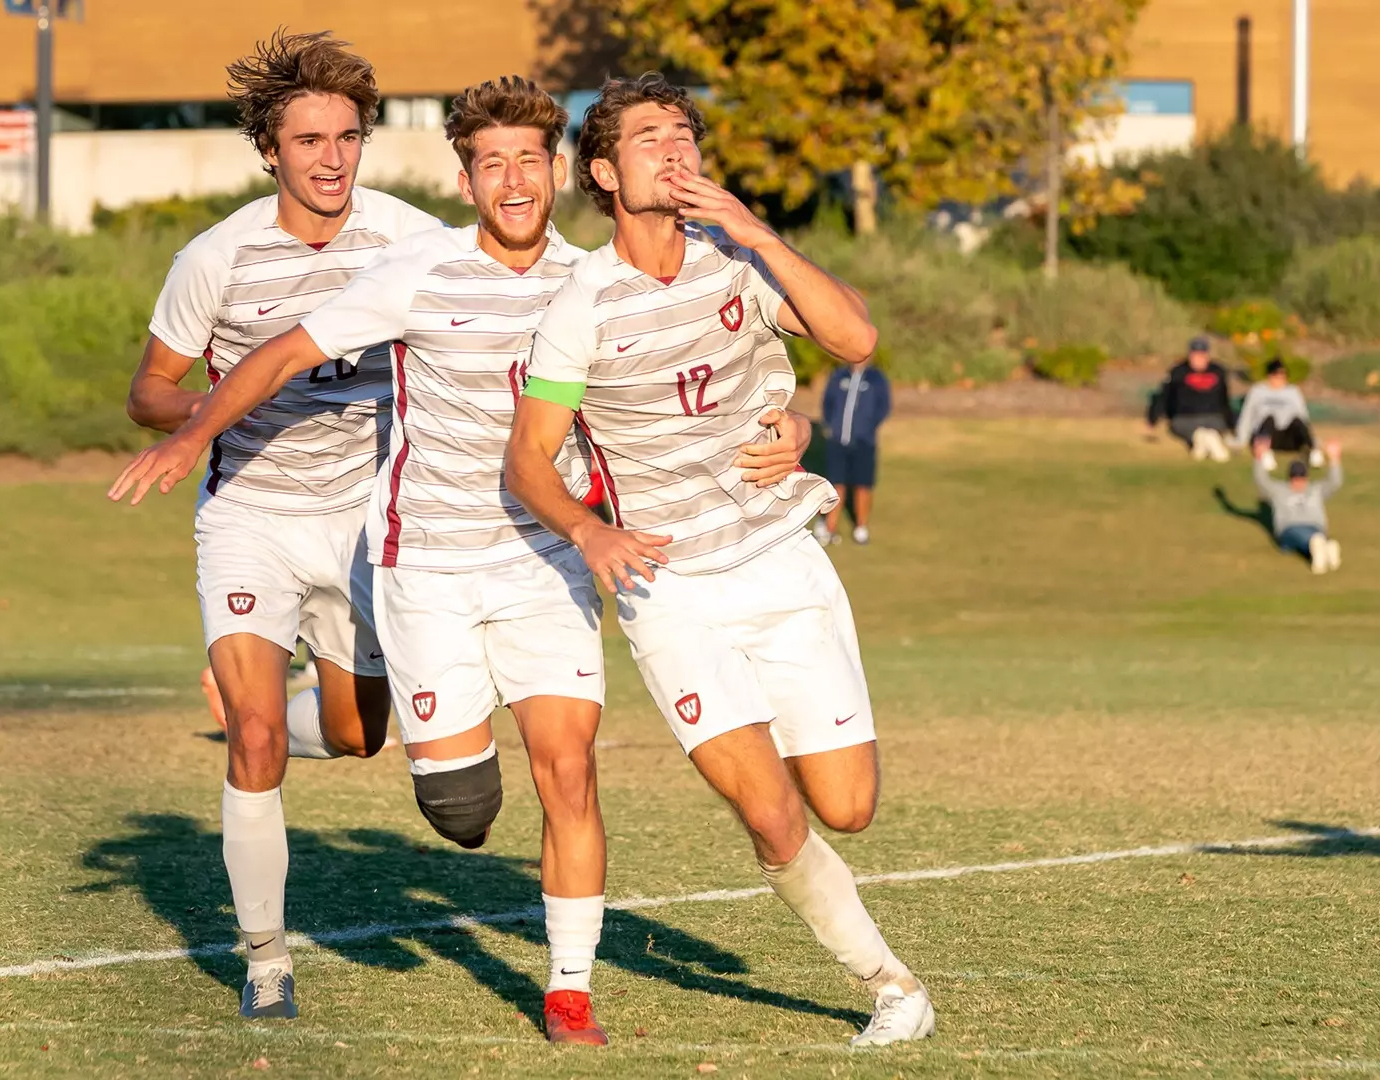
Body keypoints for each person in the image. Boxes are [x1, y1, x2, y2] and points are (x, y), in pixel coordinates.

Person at [108, 76, 812, 1046]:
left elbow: (702, 391)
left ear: (561, 171)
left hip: (544, 563)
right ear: (466, 177)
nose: (515, 179)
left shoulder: (595, 279)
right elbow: (275, 357)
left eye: (531, 158)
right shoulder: (417, 271)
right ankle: (304, 751)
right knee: (463, 811)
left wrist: (798, 423)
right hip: (426, 566)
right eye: (494, 162)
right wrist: (190, 439)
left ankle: (569, 994)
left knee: (569, 771)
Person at [504, 73, 934, 1049]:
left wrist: (762, 235)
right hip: (671, 590)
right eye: (649, 137)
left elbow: (856, 339)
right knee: (774, 818)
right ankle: (893, 987)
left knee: (847, 808)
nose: (675, 148)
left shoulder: (734, 260)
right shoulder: (583, 304)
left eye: (683, 133)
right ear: (606, 172)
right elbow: (527, 459)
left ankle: (810, 781)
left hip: (783, 563)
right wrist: (589, 529)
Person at [113, 30, 446, 1021]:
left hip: (364, 520)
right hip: (251, 514)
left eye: (347, 137)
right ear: (271, 150)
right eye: (309, 140)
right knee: (252, 735)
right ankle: (266, 963)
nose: (331, 158)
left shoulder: (410, 239)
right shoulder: (215, 258)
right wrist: (214, 409)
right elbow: (147, 390)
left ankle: (298, 704)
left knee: (357, 736)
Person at [814, 359, 890, 546]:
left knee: (862, 485)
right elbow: (827, 403)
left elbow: (883, 407)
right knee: (835, 483)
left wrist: (868, 427)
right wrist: (832, 426)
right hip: (838, 441)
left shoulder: (876, 379)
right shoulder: (839, 376)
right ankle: (829, 528)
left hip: (864, 442)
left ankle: (861, 528)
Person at [1253, 437, 1345, 574]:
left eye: (1301, 477)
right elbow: (1261, 481)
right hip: (1289, 530)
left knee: (1313, 537)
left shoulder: (1316, 489)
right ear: (1290, 477)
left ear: (1306, 477)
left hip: (1315, 527)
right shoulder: (1279, 491)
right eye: (1295, 477)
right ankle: (1322, 546)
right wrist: (1259, 458)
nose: (1298, 481)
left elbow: (1334, 482)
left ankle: (1322, 549)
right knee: (1303, 537)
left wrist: (1335, 459)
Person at [1146, 336, 1236, 462]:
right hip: (1185, 417)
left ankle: (1202, 441)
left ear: (1207, 355)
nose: (1198, 358)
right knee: (1187, 428)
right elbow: (1164, 396)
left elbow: (1224, 399)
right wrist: (1153, 419)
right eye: (1195, 355)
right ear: (1189, 355)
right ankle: (1205, 439)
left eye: (1202, 355)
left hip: (1213, 417)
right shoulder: (1178, 372)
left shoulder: (1218, 371)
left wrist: (1231, 424)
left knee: (1211, 427)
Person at [1236, 358, 1322, 470]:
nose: (1280, 379)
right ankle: (1265, 453)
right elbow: (1247, 415)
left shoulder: (1293, 391)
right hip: (1266, 434)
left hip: (1287, 435)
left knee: (1297, 420)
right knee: (1269, 417)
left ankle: (1313, 451)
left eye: (1283, 375)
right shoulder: (1257, 391)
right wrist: (1241, 438)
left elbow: (1303, 416)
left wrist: (1313, 439)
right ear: (1270, 375)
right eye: (1276, 375)